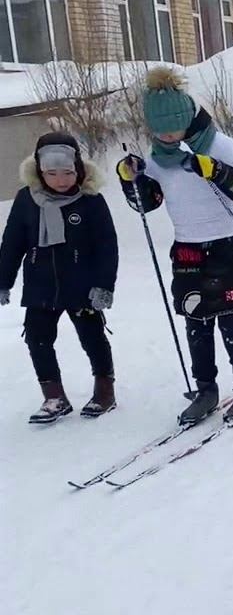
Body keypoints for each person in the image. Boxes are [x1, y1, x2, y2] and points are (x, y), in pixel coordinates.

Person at [116, 68, 233, 427]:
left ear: (187, 118)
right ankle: (206, 389)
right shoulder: (158, 155)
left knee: (232, 318)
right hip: (189, 244)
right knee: (195, 319)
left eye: (174, 126)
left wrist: (210, 168)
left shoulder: (218, 144)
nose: (168, 134)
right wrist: (130, 179)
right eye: (159, 128)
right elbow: (146, 203)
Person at [0, 132, 119, 424]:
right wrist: (3, 281)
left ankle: (105, 390)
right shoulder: (27, 199)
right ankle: (54, 396)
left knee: (92, 337)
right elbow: (12, 242)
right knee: (37, 338)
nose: (61, 180)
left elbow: (107, 246)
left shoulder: (90, 201)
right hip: (41, 284)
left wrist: (104, 286)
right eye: (52, 173)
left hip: (83, 285)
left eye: (67, 172)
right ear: (40, 170)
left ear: (78, 169)